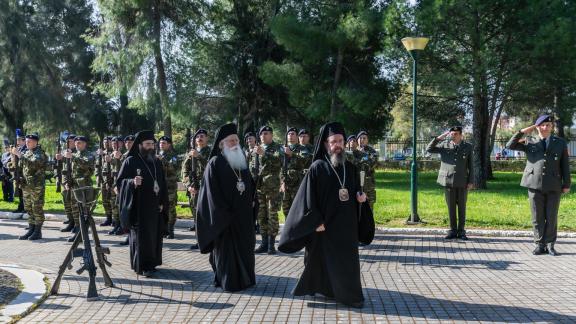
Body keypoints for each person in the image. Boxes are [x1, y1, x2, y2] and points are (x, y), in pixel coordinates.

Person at [278, 122, 375, 309]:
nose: (337, 144)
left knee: (347, 263)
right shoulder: (317, 168)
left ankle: (351, 296)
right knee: (322, 261)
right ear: (325, 144)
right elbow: (307, 199)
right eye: (333, 141)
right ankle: (327, 290)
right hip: (324, 226)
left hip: (346, 227)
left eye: (340, 141)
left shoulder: (351, 168)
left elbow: (355, 193)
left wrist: (360, 198)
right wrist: (315, 221)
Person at [196, 123, 257, 292]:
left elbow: (249, 186)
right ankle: (228, 281)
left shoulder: (241, 162)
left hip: (243, 218)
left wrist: (252, 201)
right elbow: (210, 194)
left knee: (245, 250)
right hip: (225, 220)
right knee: (227, 253)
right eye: (231, 141)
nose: (235, 143)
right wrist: (224, 215)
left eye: (236, 140)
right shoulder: (215, 163)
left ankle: (247, 280)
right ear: (221, 144)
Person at [506, 115, 571, 256]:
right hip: (534, 184)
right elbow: (509, 145)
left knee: (551, 216)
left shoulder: (560, 143)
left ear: (552, 127)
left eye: (548, 125)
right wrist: (523, 131)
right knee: (537, 216)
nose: (546, 127)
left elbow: (565, 164)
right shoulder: (529, 141)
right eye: (543, 125)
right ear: (537, 127)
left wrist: (566, 183)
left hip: (554, 184)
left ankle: (550, 245)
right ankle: (539, 244)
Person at [117, 130, 169, 277]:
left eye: (152, 144)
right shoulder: (130, 161)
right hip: (138, 207)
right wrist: (132, 182)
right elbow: (120, 183)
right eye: (147, 144)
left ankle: (152, 263)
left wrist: (162, 202)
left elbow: (162, 184)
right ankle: (142, 266)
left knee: (154, 236)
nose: (151, 147)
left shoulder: (156, 161)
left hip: (155, 206)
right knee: (142, 238)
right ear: (139, 145)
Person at [426, 126, 474, 240]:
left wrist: (471, 181)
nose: (453, 136)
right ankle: (452, 230)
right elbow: (429, 148)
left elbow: (471, 165)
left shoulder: (468, 147)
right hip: (448, 181)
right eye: (452, 134)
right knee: (451, 207)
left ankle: (461, 231)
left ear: (461, 135)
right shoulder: (444, 145)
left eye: (456, 134)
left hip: (462, 181)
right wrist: (439, 138)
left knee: (462, 207)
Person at [252, 126, 283, 254]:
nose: (263, 136)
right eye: (261, 134)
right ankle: (264, 243)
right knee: (261, 215)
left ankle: (271, 244)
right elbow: (252, 166)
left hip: (272, 187)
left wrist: (264, 154)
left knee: (272, 215)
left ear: (271, 135)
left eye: (266, 133)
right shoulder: (256, 149)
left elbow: (279, 160)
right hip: (259, 187)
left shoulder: (277, 147)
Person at [12, 134, 48, 240]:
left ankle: (38, 231)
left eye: (29, 142)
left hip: (36, 185)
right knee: (28, 207)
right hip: (26, 185)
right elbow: (21, 166)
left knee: (37, 207)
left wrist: (19, 155)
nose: (27, 143)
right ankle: (31, 229)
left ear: (36, 142)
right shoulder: (27, 152)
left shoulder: (40, 153)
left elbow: (33, 164)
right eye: (26, 141)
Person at [61, 136, 95, 242]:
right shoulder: (73, 155)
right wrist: (66, 182)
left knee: (84, 210)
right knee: (75, 210)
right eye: (76, 143)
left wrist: (72, 157)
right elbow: (68, 170)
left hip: (83, 186)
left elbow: (86, 165)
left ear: (85, 144)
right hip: (73, 186)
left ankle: (82, 233)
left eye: (79, 143)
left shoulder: (89, 155)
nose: (77, 144)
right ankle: (77, 231)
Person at [181, 129, 211, 249]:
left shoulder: (210, 152)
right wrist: (189, 185)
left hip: (207, 188)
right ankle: (199, 240)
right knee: (196, 216)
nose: (199, 138)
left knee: (207, 215)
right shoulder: (190, 153)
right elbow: (184, 171)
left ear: (207, 138)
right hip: (194, 189)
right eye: (197, 136)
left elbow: (211, 167)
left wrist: (199, 157)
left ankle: (209, 240)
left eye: (202, 136)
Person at [281, 127, 306, 216]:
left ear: (297, 137)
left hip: (298, 183)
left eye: (292, 134)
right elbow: (280, 168)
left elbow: (305, 162)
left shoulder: (302, 148)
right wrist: (282, 182)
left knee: (298, 208)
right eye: (289, 134)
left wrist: (292, 154)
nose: (290, 136)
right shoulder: (282, 150)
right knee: (286, 209)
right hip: (286, 183)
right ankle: (288, 228)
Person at [158, 135, 180, 239]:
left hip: (169, 187)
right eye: (160, 143)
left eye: (164, 143)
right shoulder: (156, 155)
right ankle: (162, 228)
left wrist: (164, 161)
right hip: (158, 187)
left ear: (169, 145)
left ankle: (170, 230)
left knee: (170, 208)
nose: (161, 144)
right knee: (160, 207)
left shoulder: (173, 156)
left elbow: (174, 169)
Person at [55, 134, 77, 232]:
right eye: (67, 141)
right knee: (66, 203)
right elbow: (61, 165)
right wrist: (59, 157)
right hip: (65, 181)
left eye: (70, 141)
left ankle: (76, 224)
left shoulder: (77, 152)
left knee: (74, 204)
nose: (68, 143)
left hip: (73, 181)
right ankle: (71, 221)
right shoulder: (65, 151)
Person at [355, 131, 379, 211]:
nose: (362, 140)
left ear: (367, 140)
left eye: (364, 138)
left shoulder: (372, 152)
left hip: (368, 186)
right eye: (360, 138)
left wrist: (360, 158)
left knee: (369, 210)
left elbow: (370, 165)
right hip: (356, 185)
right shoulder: (353, 152)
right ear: (357, 140)